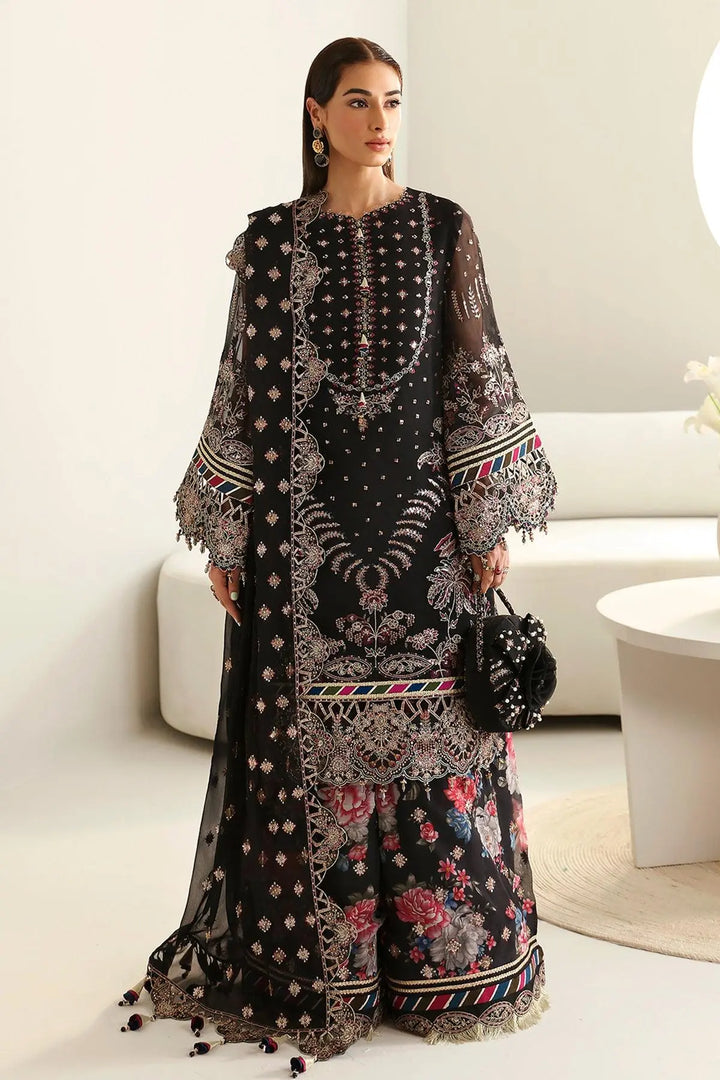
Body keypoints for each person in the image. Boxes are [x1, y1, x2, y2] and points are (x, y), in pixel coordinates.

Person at [118, 35, 558, 1074]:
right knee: (313, 752)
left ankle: (450, 969)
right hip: (302, 548)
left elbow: (475, 371)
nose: (379, 122)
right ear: (316, 115)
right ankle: (337, 980)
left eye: (392, 102)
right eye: (358, 102)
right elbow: (241, 386)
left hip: (426, 538)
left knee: (444, 739)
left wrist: (487, 519)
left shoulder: (444, 228)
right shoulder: (271, 243)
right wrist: (227, 525)